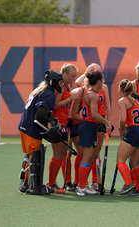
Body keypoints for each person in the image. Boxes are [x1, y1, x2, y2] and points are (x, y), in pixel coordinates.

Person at [18, 70, 64, 195]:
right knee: (35, 156)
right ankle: (35, 187)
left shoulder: (39, 90)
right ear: (53, 82)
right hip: (31, 129)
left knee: (29, 155)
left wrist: (51, 120)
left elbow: (42, 112)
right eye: (59, 81)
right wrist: (49, 128)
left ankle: (25, 184)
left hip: (23, 126)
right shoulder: (49, 94)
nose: (61, 84)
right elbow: (40, 114)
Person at [76, 63, 112, 191]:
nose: (103, 82)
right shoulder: (92, 94)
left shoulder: (92, 92)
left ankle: (87, 184)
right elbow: (95, 115)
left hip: (92, 125)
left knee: (92, 156)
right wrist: (107, 123)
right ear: (98, 81)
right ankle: (81, 186)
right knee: (88, 156)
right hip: (89, 126)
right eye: (101, 80)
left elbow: (104, 109)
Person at [48, 63, 79, 192]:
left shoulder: (66, 86)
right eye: (72, 76)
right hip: (58, 123)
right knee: (58, 154)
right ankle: (51, 184)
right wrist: (70, 98)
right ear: (64, 74)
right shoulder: (60, 87)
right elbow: (56, 105)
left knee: (62, 154)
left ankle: (53, 183)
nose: (73, 79)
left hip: (64, 123)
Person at [117, 79, 139, 196]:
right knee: (135, 162)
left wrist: (121, 131)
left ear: (121, 89)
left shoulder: (123, 101)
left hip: (133, 132)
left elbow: (123, 119)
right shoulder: (137, 102)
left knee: (120, 160)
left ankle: (128, 183)